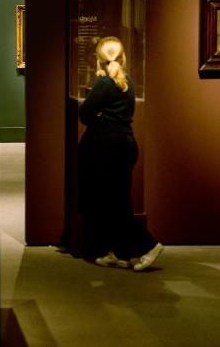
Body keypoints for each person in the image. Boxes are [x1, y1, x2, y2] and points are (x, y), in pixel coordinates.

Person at [78, 36, 163, 271]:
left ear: (98, 59)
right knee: (118, 200)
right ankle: (119, 253)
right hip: (125, 144)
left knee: (112, 204)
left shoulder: (104, 83)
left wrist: (99, 117)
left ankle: (149, 245)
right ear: (122, 57)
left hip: (107, 147)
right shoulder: (129, 81)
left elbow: (84, 114)